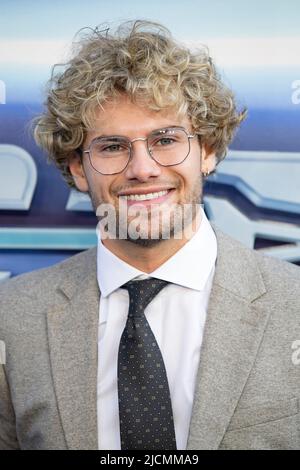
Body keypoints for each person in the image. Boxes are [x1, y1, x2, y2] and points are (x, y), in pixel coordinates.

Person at [0, 20, 299, 451]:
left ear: (208, 150)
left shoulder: (295, 307)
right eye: (112, 146)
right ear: (79, 168)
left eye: (165, 140)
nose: (142, 169)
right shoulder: (12, 318)